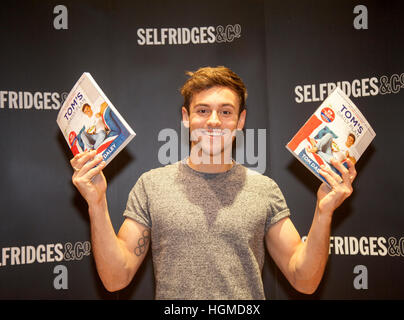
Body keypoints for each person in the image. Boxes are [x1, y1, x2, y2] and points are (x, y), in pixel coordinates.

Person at [70, 66, 356, 299]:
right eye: (203, 110)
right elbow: (115, 278)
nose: (214, 121)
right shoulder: (151, 185)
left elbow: (303, 280)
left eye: (226, 112)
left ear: (241, 120)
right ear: (186, 118)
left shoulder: (264, 190)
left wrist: (323, 212)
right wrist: (96, 204)